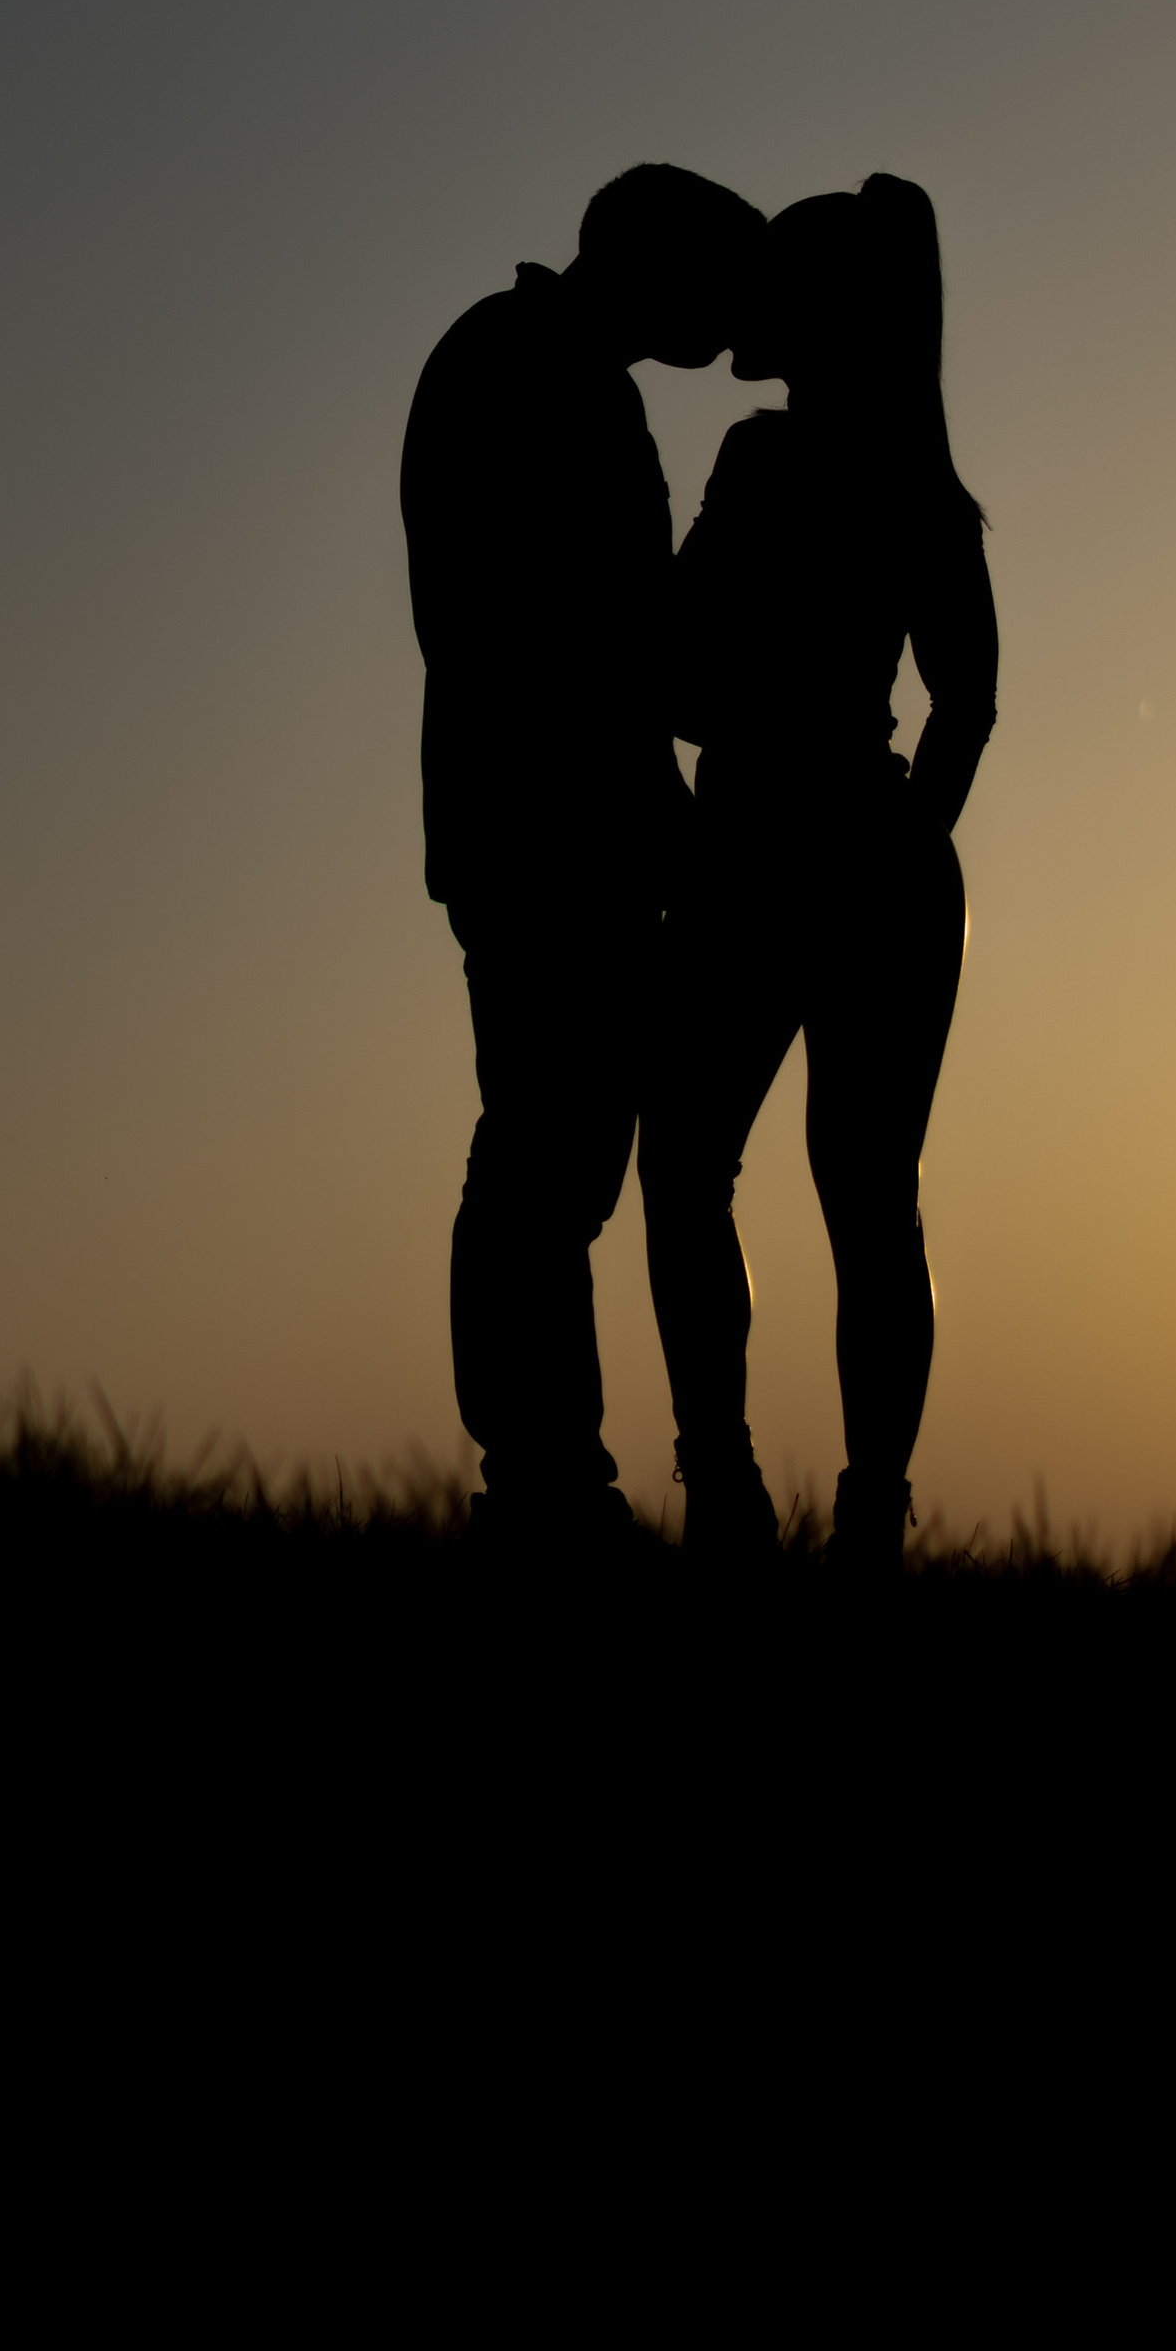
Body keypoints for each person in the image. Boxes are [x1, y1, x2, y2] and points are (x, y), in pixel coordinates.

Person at [401, 164, 767, 1538]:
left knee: (561, 1156)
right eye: (718, 295)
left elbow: (615, 639)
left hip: (566, 821)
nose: (732, 331)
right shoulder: (524, 371)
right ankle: (543, 1482)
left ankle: (549, 1474)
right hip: (540, 822)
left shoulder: (554, 374)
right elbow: (557, 632)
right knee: (545, 1156)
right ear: (657, 270)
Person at [640, 174, 998, 1573]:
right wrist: (911, 836)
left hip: (766, 849)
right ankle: (865, 1516)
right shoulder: (923, 484)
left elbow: (672, 655)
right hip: (871, 852)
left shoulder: (762, 462)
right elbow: (965, 703)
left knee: (690, 1165)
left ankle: (727, 1484)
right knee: (867, 1195)